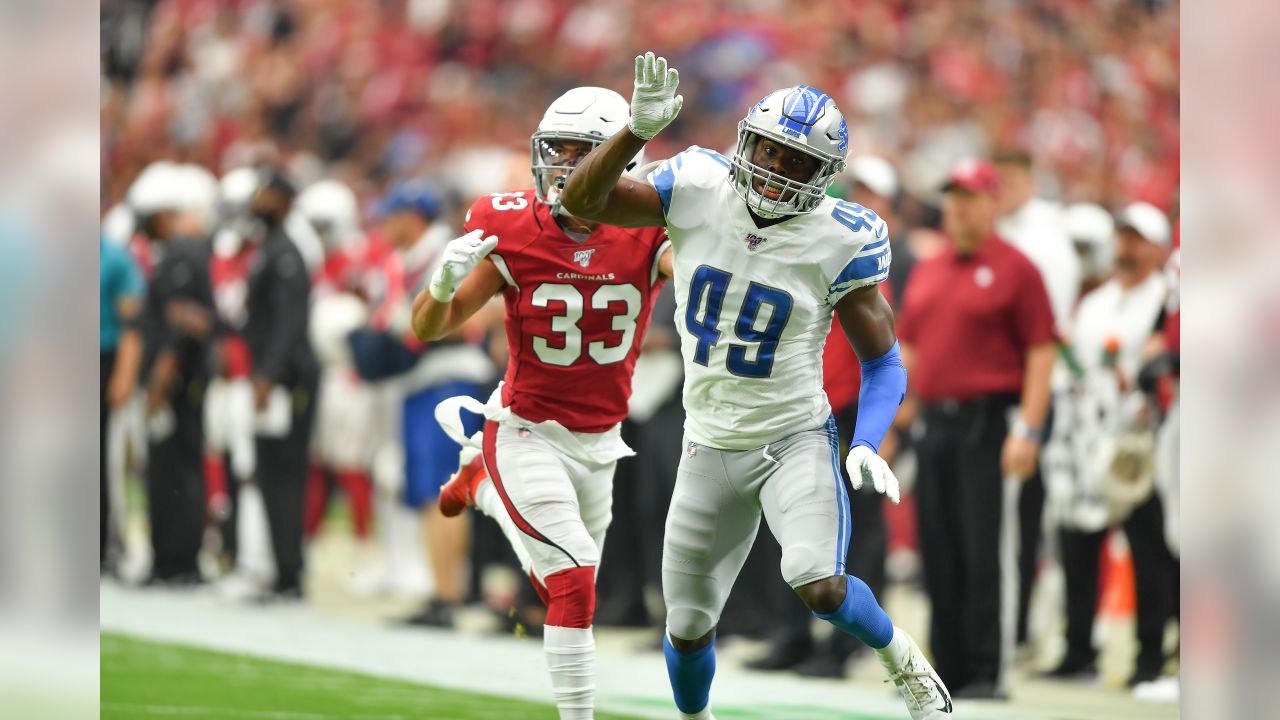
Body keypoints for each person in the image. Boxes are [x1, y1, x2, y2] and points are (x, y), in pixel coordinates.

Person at [560, 53, 952, 720]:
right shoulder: (698, 185)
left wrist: (867, 441)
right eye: (769, 151)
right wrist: (634, 132)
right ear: (746, 141)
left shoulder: (839, 237)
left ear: (823, 175)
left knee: (819, 585)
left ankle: (906, 665)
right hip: (706, 441)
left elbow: (882, 361)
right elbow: (579, 203)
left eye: (797, 162)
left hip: (791, 437)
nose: (775, 170)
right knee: (686, 625)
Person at [413, 86, 671, 719]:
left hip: (601, 442)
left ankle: (482, 485)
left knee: (562, 588)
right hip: (526, 428)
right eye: (555, 150)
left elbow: (697, 272)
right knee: (575, 583)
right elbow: (427, 328)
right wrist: (441, 285)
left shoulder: (652, 233)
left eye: (582, 153)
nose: (563, 166)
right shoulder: (508, 223)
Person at [895, 158, 1057, 699]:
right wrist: (897, 414)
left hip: (990, 423)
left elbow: (1040, 351)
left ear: (993, 202)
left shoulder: (1017, 268)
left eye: (969, 197)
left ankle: (990, 669)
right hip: (935, 425)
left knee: (987, 550)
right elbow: (911, 347)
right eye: (952, 197)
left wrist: (1029, 430)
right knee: (937, 550)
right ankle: (951, 668)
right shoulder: (930, 268)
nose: (958, 207)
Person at [1042, 202, 1177, 687]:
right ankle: (1080, 648)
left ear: (1160, 248)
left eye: (1139, 239)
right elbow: (1071, 362)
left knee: (1150, 551)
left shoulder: (1168, 299)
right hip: (1087, 438)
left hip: (1140, 442)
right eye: (1123, 238)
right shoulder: (1097, 301)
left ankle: (1149, 657)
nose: (1128, 248)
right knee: (1078, 542)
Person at [373, 179, 495, 627]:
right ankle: (440, 589)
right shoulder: (408, 258)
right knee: (427, 491)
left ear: (411, 216)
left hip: (449, 378)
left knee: (446, 490)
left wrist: (424, 327)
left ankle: (450, 594)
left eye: (393, 215)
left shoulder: (447, 250)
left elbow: (489, 309)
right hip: (419, 381)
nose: (386, 224)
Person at [130, 161, 219, 585]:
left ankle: (175, 560)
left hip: (179, 381)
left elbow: (180, 327)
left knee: (174, 470)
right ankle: (173, 558)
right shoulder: (192, 251)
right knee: (175, 468)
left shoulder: (184, 252)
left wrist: (159, 383)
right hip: (183, 379)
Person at [241, 169, 320, 600]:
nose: (258, 199)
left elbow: (290, 322)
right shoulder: (270, 247)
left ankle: (290, 574)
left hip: (289, 380)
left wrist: (268, 374)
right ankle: (280, 570)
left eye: (267, 193)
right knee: (271, 473)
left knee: (285, 473)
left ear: (286, 200)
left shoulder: (285, 251)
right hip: (274, 377)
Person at [100, 233, 145, 570]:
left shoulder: (113, 258)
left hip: (104, 358)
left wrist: (124, 374)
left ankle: (107, 544)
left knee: (105, 460)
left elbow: (132, 322)